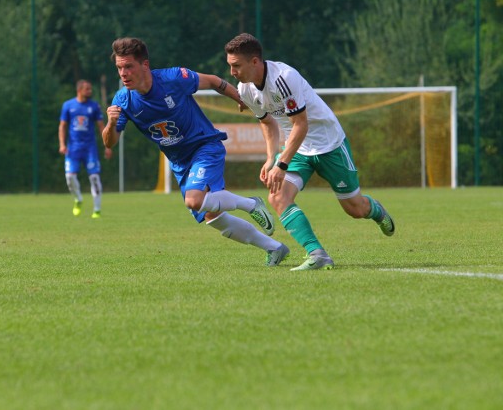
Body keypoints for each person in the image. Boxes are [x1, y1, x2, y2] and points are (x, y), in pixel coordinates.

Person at [102, 37, 289, 267]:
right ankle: (275, 248)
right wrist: (111, 124)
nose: (123, 73)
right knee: (213, 217)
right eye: (119, 68)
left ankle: (250, 204)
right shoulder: (123, 100)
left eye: (128, 66)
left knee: (193, 200)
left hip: (204, 146)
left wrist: (239, 98)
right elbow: (110, 143)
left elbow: (212, 81)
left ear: (145, 65)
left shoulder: (172, 78)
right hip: (179, 162)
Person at [224, 33, 395, 271]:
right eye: (230, 66)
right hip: (299, 149)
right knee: (277, 196)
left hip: (329, 144)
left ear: (254, 62)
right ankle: (317, 253)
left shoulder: (284, 78)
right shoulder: (245, 90)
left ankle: (376, 211)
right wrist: (271, 158)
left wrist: (281, 165)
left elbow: (301, 124)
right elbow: (267, 123)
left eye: (236, 66)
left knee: (355, 209)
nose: (232, 72)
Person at [59, 79, 113, 218]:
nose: (90, 91)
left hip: (90, 149)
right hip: (73, 149)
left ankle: (97, 210)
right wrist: (62, 144)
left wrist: (107, 145)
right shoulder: (68, 105)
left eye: (90, 89)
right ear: (79, 90)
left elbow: (101, 126)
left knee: (94, 177)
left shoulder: (94, 106)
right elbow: (63, 126)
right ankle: (78, 199)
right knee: (70, 177)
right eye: (87, 89)